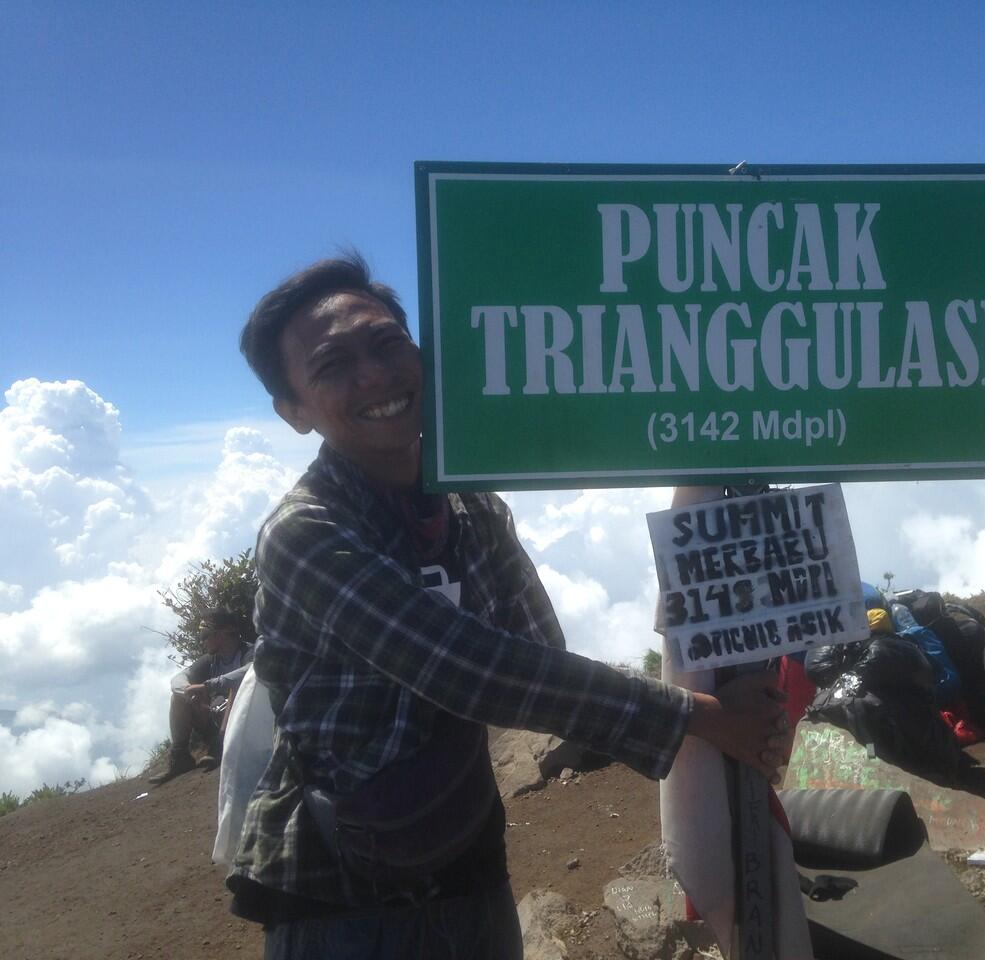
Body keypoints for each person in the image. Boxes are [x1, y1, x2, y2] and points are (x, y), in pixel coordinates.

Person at [227, 252, 789, 959]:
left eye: (386, 344)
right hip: (339, 904)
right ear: (294, 412)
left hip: (466, 864)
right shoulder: (305, 532)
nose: (373, 375)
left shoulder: (466, 504)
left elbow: (537, 654)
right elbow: (471, 670)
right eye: (334, 365)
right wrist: (702, 718)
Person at [150, 608, 254, 784]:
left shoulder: (249, 651)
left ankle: (221, 747)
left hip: (243, 723)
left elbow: (252, 670)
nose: (203, 641)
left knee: (237, 688)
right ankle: (180, 755)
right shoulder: (211, 660)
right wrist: (189, 690)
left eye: (205, 635)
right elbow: (177, 679)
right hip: (213, 718)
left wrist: (209, 686)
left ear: (222, 633)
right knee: (178, 697)